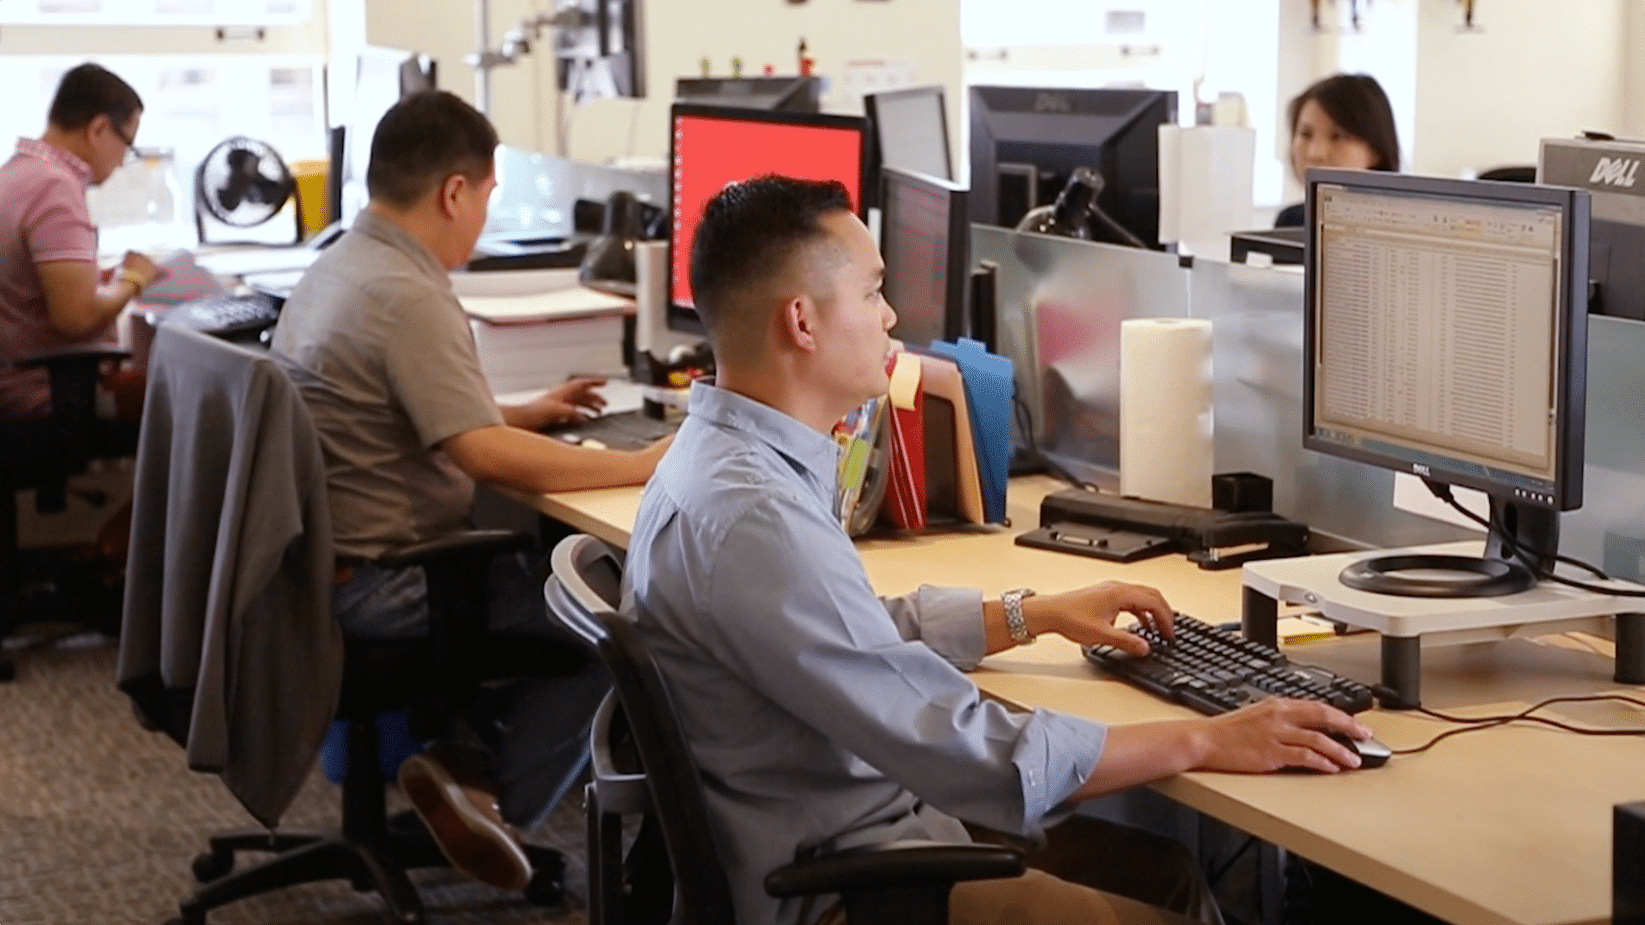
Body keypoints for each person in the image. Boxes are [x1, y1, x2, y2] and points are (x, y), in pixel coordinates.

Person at [623, 174, 1374, 925]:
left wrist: (1031, 613)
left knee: (1168, 873)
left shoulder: (721, 462)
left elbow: (850, 633)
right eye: (870, 293)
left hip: (848, 835)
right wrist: (1206, 736)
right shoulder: (755, 517)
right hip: (844, 887)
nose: (888, 316)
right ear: (802, 321)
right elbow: (970, 749)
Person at [271, 90, 669, 894]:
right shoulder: (410, 294)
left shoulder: (344, 264)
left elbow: (406, 413)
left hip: (324, 570)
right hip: (390, 584)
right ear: (455, 192)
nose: (482, 219)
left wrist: (524, 412)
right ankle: (491, 802)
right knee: (628, 619)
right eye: (486, 199)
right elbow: (483, 457)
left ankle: (464, 765)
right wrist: (646, 462)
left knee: (570, 571)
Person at [0, 62, 160, 423]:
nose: (122, 162)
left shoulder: (16, 173)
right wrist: (132, 280)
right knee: (195, 394)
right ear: (100, 129)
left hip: (12, 379)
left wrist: (98, 278)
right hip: (42, 393)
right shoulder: (55, 188)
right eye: (127, 145)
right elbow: (75, 318)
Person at [1275, 73, 1400, 228]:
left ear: (1376, 151)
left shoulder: (1400, 225)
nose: (1316, 154)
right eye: (1305, 134)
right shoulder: (1290, 221)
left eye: (1338, 136)